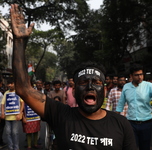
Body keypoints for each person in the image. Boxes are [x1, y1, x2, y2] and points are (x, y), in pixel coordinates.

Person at [10, 4, 136, 150]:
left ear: (105, 90)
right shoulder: (61, 115)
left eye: (96, 82)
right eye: (83, 82)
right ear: (74, 90)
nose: (90, 86)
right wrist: (19, 41)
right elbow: (23, 89)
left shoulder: (121, 124)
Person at [116, 63, 152, 150]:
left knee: (145, 147)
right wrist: (114, 120)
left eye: (141, 74)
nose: (140, 77)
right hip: (131, 123)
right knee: (131, 147)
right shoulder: (126, 87)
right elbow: (120, 104)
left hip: (146, 123)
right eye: (136, 75)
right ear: (131, 76)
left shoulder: (149, 85)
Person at [1, 79, 24, 150]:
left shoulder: (18, 92)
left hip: (15, 117)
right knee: (8, 133)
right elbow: (2, 104)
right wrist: (2, 112)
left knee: (15, 133)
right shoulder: (6, 93)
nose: (10, 85)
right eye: (9, 84)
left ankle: (16, 148)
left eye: (11, 83)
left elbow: (22, 103)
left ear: (15, 84)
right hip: (7, 117)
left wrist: (20, 113)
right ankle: (10, 147)